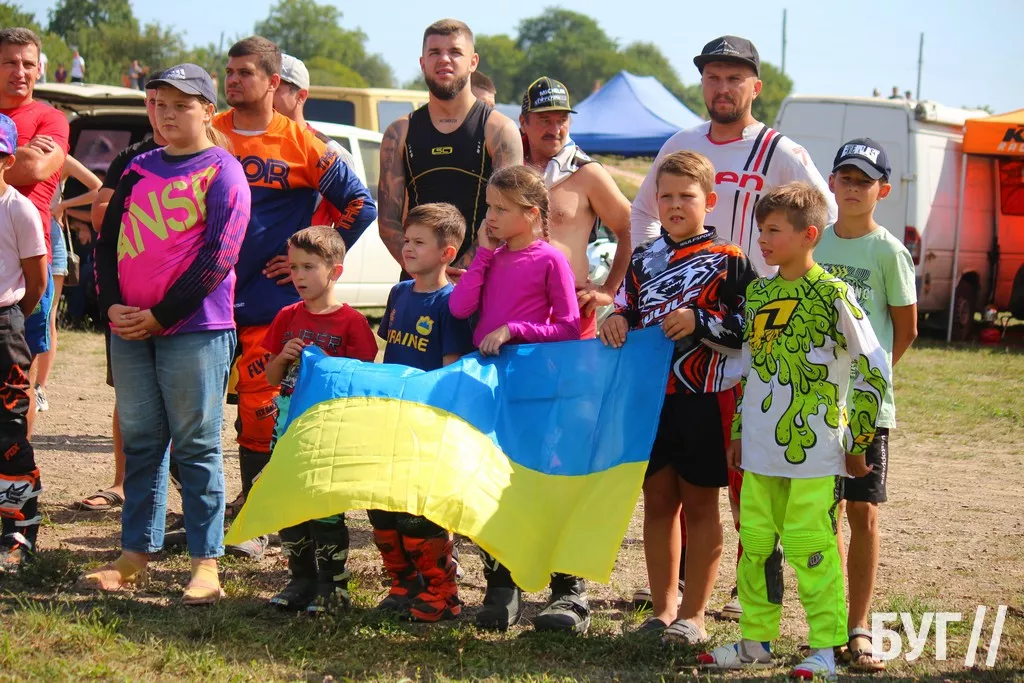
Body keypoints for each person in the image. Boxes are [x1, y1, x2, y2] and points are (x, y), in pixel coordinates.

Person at [629, 35, 836, 618]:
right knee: (673, 489)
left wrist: (782, 272)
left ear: (754, 87)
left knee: (747, 483)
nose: (722, 89)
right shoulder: (681, 143)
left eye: (733, 79)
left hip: (753, 330)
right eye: (713, 78)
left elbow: (825, 212)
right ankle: (681, 606)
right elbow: (642, 212)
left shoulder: (778, 148)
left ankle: (753, 606)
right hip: (682, 349)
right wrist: (665, 272)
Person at [698, 183, 891, 678]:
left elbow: (874, 367)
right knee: (757, 543)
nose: (762, 239)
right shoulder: (759, 292)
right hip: (761, 450)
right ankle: (755, 642)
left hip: (816, 451)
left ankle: (825, 646)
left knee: (811, 546)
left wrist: (858, 439)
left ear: (809, 234)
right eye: (760, 230)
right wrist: (741, 430)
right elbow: (752, 368)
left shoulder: (833, 294)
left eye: (774, 231)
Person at [81, 64, 250, 603]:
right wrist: (110, 305)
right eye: (158, 103)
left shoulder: (224, 171)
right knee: (143, 441)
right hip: (128, 328)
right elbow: (105, 245)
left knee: (197, 445)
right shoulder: (135, 168)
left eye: (181, 104)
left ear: (207, 109)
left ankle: (206, 564)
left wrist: (161, 315)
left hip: (195, 329)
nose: (167, 114)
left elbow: (219, 257)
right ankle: (135, 555)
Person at [214, 36, 376, 559]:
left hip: (266, 304)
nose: (233, 80)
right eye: (229, 72)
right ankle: (210, 515)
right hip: (202, 301)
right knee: (188, 417)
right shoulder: (209, 132)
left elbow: (360, 203)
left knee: (261, 415)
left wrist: (312, 258)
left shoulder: (304, 142)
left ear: (273, 82)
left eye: (244, 73)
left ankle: (257, 519)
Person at [601, 151, 755, 643]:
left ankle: (695, 615)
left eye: (685, 196)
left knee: (702, 503)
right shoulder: (644, 258)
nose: (673, 204)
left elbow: (747, 329)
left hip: (703, 396)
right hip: (649, 400)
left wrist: (700, 322)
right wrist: (617, 319)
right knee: (658, 501)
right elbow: (623, 304)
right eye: (663, 195)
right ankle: (663, 610)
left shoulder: (729, 260)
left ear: (709, 201)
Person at [449, 166, 582, 631]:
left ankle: (567, 590)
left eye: (501, 209)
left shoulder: (551, 259)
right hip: (492, 389)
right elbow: (459, 307)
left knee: (541, 481)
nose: (491, 216)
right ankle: (502, 585)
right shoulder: (493, 257)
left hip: (537, 390)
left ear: (531, 213)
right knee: (493, 483)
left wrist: (515, 330)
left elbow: (567, 326)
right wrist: (483, 257)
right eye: (489, 207)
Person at [814, 139, 917, 672]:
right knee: (821, 514)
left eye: (864, 181)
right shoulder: (816, 244)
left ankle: (859, 626)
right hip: (814, 405)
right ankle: (829, 624)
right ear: (831, 184)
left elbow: (906, 328)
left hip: (863, 410)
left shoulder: (887, 251)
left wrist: (871, 383)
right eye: (845, 178)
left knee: (863, 512)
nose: (853, 188)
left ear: (883, 189)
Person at [262, 226, 378, 614]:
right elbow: (271, 378)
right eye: (294, 267)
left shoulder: (352, 323)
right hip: (287, 430)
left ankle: (334, 584)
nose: (298, 276)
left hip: (331, 433)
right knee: (288, 503)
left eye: (309, 267)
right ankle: (301, 579)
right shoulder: (285, 317)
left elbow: (362, 381)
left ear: (336, 272)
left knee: (325, 508)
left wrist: (328, 368)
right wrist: (283, 357)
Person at [369, 203, 474, 622]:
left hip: (427, 423)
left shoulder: (452, 303)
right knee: (381, 504)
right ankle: (404, 585)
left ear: (447, 253)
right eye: (405, 240)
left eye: (418, 242)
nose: (406, 248)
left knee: (420, 510)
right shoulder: (398, 293)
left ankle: (442, 592)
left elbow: (450, 371)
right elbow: (388, 351)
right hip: (391, 417)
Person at [79, 75, 168, 512]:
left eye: (168, 103)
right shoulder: (131, 157)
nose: (159, 110)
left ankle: (189, 502)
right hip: (130, 295)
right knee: (129, 397)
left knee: (190, 408)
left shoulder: (212, 155)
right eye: (152, 102)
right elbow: (100, 217)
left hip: (186, 304)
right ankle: (122, 484)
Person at [378, 18, 522, 277]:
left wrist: (462, 271)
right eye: (435, 52)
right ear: (423, 63)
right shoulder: (398, 133)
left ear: (473, 62)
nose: (444, 59)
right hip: (417, 281)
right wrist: (424, 271)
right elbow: (388, 223)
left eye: (455, 52)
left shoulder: (500, 131)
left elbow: (509, 216)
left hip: (483, 280)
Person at [520, 76, 631, 340]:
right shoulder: (508, 169)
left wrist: (610, 289)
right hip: (514, 305)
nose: (555, 128)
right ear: (523, 122)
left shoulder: (587, 172)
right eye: (545, 120)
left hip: (571, 309)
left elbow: (631, 227)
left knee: (572, 383)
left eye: (562, 120)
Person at [0, 28, 70, 438]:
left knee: (16, 381)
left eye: (29, 63)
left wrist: (25, 158)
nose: (20, 72)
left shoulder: (51, 117)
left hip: (28, 266)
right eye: (10, 62)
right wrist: (23, 152)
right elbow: (23, 163)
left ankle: (12, 475)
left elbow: (38, 168)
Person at [0, 112, 48, 570]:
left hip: (4, 326)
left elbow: (35, 283)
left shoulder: (18, 208)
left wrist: (12, 323)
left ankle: (18, 525)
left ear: (7, 159)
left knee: (10, 430)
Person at [34, 155, 102, 411]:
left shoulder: (58, 156)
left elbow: (97, 188)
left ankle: (39, 387)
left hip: (52, 236)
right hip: (20, 230)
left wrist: (63, 207)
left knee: (47, 315)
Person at [273, 53, 360, 229]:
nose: (267, 96)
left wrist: (312, 255)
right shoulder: (253, 141)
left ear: (301, 95)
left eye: (277, 89)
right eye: (266, 87)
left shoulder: (327, 149)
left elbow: (355, 215)